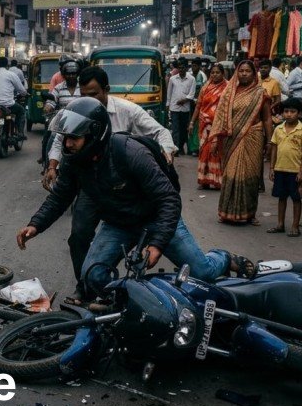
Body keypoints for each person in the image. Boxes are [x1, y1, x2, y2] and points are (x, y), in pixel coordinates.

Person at [17, 98, 253, 303]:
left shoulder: (131, 153)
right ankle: (123, 307)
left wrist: (157, 244)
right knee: (92, 276)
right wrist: (35, 224)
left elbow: (169, 200)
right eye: (66, 138)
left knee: (203, 273)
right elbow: (60, 196)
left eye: (74, 138)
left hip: (156, 219)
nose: (67, 144)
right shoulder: (73, 159)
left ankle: (222, 258)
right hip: (118, 224)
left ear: (95, 134)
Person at [43, 67, 176, 287]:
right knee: (79, 236)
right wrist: (52, 165)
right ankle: (85, 287)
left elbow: (160, 132)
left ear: (106, 90)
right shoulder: (75, 112)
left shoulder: (128, 111)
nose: (89, 99)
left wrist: (166, 152)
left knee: (197, 265)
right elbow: (60, 141)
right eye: (84, 95)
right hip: (92, 184)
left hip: (124, 187)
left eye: (94, 94)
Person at [210, 60, 273, 224]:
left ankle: (249, 214)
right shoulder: (229, 93)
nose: (244, 74)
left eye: (248, 71)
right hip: (232, 139)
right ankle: (226, 212)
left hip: (253, 137)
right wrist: (215, 139)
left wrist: (270, 141)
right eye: (241, 71)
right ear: (237, 73)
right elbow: (220, 117)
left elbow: (267, 118)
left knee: (250, 176)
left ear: (254, 74)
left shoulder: (260, 93)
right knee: (231, 173)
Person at [267, 98, 302, 237]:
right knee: (281, 197)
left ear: (299, 113)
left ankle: (295, 226)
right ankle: (280, 224)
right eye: (286, 111)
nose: (289, 114)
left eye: (292, 111)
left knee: (296, 199)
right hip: (280, 169)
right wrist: (272, 168)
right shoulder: (278, 129)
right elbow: (274, 148)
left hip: (295, 171)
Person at [189, 62, 228, 190]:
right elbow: (198, 106)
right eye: (213, 73)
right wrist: (192, 122)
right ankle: (204, 180)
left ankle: (217, 180)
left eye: (217, 72)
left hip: (220, 126)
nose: (215, 75)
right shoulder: (205, 88)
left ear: (223, 74)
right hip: (204, 125)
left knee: (216, 151)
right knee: (204, 151)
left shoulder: (228, 88)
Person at [40, 60, 81, 166]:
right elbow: (52, 100)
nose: (71, 76)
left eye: (73, 73)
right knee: (51, 136)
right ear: (64, 75)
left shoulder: (83, 87)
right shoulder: (58, 88)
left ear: (77, 74)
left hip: (81, 121)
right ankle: (47, 164)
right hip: (63, 121)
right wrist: (48, 107)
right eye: (68, 74)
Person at [167, 58, 196, 155]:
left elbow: (192, 94)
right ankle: (175, 148)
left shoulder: (191, 79)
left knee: (183, 129)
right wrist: (168, 105)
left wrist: (184, 100)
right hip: (174, 108)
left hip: (185, 109)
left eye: (183, 68)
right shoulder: (172, 79)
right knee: (175, 129)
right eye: (179, 68)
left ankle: (181, 147)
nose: (181, 70)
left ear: (186, 68)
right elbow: (169, 93)